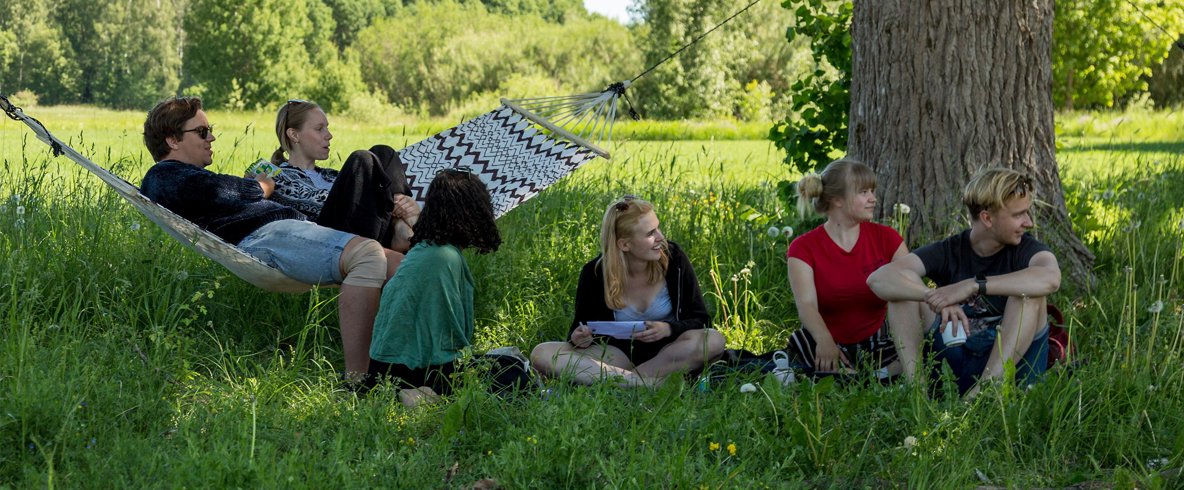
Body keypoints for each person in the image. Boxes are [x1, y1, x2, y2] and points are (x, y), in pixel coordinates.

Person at [139, 96, 400, 380]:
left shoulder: (187, 177)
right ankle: (359, 380)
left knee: (403, 267)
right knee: (367, 255)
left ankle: (410, 369)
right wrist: (260, 186)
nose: (211, 138)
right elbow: (227, 191)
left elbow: (220, 189)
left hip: (293, 228)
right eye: (202, 132)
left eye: (209, 130)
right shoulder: (163, 175)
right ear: (172, 140)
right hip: (264, 235)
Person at [867, 167, 1061, 398]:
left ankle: (985, 393)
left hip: (1011, 369)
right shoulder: (951, 249)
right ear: (987, 218)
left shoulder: (1027, 248)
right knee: (902, 292)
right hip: (955, 360)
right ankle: (917, 392)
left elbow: (1050, 278)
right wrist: (934, 297)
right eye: (1019, 215)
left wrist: (974, 285)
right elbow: (879, 279)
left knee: (1029, 295)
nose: (1028, 222)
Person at [530, 196, 726, 387]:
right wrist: (579, 337)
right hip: (616, 355)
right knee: (542, 353)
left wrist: (668, 329)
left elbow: (701, 320)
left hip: (669, 351)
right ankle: (648, 384)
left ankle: (623, 382)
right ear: (624, 244)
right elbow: (580, 328)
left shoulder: (674, 259)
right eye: (650, 233)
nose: (660, 237)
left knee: (714, 340)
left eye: (658, 228)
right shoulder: (595, 273)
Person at [368, 169, 504, 406]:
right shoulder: (444, 258)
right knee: (509, 372)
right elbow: (447, 336)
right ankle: (424, 394)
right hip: (414, 369)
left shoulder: (425, 249)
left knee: (501, 365)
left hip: (383, 369)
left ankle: (415, 393)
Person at [785, 159, 923, 381]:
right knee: (804, 346)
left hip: (879, 341)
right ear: (837, 199)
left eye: (872, 191)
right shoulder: (803, 248)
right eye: (863, 192)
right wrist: (825, 340)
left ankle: (863, 377)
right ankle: (865, 377)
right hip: (828, 340)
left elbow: (911, 287)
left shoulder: (887, 238)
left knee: (915, 348)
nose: (873, 198)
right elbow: (807, 305)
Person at [265, 99, 418, 252]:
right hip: (328, 240)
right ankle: (407, 225)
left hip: (370, 230)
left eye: (327, 128)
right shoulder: (277, 176)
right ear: (294, 135)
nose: (329, 135)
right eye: (319, 129)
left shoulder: (331, 175)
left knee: (383, 152)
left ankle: (399, 224)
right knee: (362, 159)